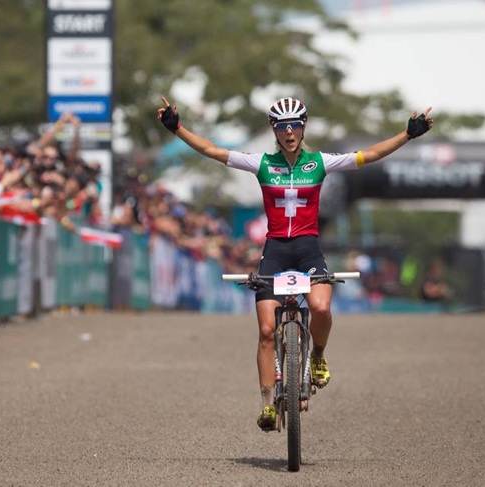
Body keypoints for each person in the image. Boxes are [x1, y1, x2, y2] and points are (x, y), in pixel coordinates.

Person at [157, 96, 434, 431]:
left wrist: (407, 135)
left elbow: (370, 155)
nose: (289, 132)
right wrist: (178, 129)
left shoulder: (320, 162)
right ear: (275, 130)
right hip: (275, 250)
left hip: (308, 250)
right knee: (265, 330)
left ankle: (316, 355)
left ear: (303, 127)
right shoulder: (260, 162)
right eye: (282, 126)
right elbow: (214, 151)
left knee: (320, 309)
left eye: (295, 125)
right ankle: (267, 404)